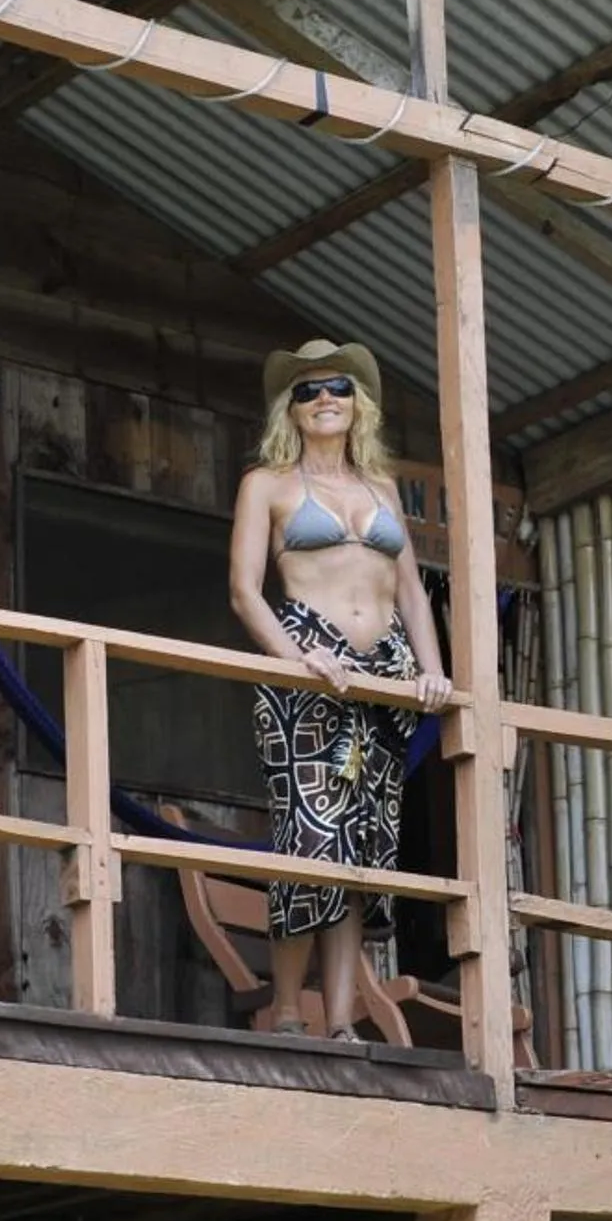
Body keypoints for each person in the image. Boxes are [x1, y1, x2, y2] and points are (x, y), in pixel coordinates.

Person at [228, 339, 452, 1040]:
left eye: (338, 387)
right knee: (312, 838)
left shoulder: (381, 489)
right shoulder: (266, 483)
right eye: (307, 390)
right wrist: (297, 658)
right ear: (288, 410)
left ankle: (344, 1018)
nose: (325, 398)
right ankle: (291, 1007)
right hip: (305, 666)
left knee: (364, 848)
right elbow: (243, 591)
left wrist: (431, 668)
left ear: (359, 404)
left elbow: (412, 591)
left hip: (383, 675)